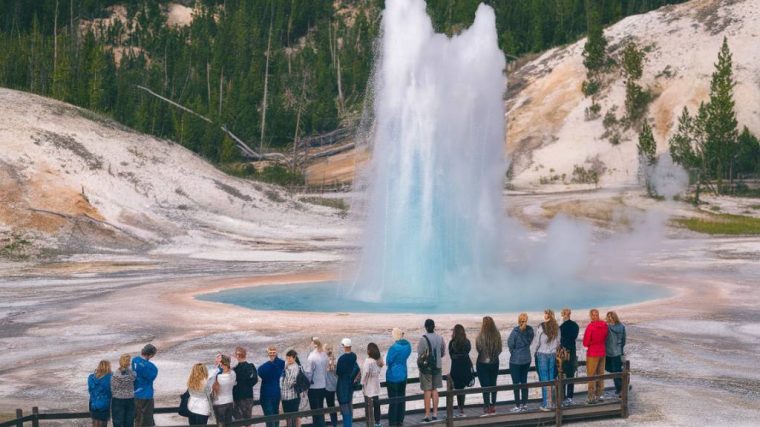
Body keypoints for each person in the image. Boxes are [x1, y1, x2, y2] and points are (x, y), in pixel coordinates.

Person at [417, 318, 445, 422]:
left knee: (427, 390)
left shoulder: (423, 339)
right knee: (435, 389)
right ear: (434, 326)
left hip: (427, 368)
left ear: (426, 327)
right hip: (437, 366)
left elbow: (420, 354)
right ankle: (435, 413)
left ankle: (427, 414)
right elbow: (442, 352)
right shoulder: (440, 337)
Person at [507, 313, 534, 412]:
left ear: (519, 320)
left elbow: (510, 344)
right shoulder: (530, 331)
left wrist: (514, 353)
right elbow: (530, 342)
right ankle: (525, 404)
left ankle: (517, 405)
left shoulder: (515, 331)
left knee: (516, 384)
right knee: (524, 382)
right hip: (526, 359)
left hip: (515, 360)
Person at [535, 309, 561, 411]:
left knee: (544, 379)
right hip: (552, 354)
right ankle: (551, 403)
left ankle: (546, 404)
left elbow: (537, 342)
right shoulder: (557, 328)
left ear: (546, 315)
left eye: (544, 314)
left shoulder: (541, 326)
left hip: (542, 354)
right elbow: (558, 342)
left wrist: (535, 351)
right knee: (551, 379)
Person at [475, 316, 502, 415]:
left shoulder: (480, 335)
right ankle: (493, 405)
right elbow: (500, 349)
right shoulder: (497, 334)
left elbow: (478, 349)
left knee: (485, 385)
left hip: (482, 362)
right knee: (493, 383)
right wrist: (493, 356)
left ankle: (486, 406)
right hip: (494, 362)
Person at [385, 328, 411, 427]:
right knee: (401, 397)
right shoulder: (408, 346)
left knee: (393, 399)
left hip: (393, 376)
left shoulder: (394, 348)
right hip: (403, 374)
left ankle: (392, 421)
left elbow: (388, 361)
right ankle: (400, 419)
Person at [583, 309, 609, 404]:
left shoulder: (590, 327)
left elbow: (585, 342)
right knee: (600, 374)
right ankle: (600, 394)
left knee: (591, 375)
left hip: (593, 353)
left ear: (591, 316)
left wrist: (591, 343)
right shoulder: (604, 325)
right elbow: (606, 337)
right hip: (602, 352)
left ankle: (591, 396)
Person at [448, 324, 473, 417]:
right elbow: (468, 351)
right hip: (465, 366)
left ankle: (458, 408)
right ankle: (461, 408)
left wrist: (456, 358)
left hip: (456, 366)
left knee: (457, 387)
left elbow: (451, 355)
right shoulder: (467, 342)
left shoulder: (452, 343)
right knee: (462, 387)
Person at [258, 346, 285, 427]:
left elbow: (259, 373)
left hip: (266, 394)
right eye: (271, 353)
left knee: (269, 417)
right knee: (275, 415)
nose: (272, 354)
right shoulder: (282, 363)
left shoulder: (263, 367)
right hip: (276, 392)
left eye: (273, 352)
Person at [336, 338, 360, 427]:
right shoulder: (354, 356)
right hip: (351, 384)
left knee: (344, 406)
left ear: (344, 346)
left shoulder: (341, 359)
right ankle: (349, 424)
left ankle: (347, 425)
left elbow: (338, 372)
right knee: (349, 405)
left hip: (343, 384)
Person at [132, 343, 158, 426]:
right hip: (147, 395)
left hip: (134, 394)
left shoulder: (134, 360)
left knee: (136, 419)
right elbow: (151, 378)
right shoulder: (152, 367)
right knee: (147, 420)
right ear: (151, 355)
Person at [306, 338, 328, 427]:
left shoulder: (311, 357)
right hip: (323, 385)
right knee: (321, 408)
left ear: (314, 344)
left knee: (314, 410)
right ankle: (322, 425)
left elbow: (309, 373)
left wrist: (306, 384)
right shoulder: (324, 355)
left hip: (314, 387)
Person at [232, 346, 258, 426]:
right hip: (248, 396)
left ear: (237, 356)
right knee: (248, 421)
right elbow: (255, 380)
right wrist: (248, 385)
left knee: (238, 422)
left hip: (237, 397)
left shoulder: (234, 368)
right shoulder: (251, 366)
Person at [559, 308, 579, 406]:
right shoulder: (575, 325)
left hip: (563, 353)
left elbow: (560, 341)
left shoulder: (561, 327)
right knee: (571, 375)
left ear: (563, 315)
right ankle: (570, 397)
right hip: (572, 352)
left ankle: (562, 397)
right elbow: (574, 338)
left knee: (562, 374)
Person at [605, 311, 627, 397]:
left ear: (614, 317)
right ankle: (622, 386)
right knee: (616, 370)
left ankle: (620, 389)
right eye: (608, 316)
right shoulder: (621, 326)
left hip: (611, 352)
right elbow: (623, 340)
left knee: (614, 371)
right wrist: (620, 348)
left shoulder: (607, 327)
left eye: (610, 316)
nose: (609, 318)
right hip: (617, 352)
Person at [361, 343, 384, 427]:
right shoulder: (376, 361)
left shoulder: (368, 361)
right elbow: (378, 370)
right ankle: (378, 422)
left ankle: (370, 421)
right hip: (376, 387)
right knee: (377, 404)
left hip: (368, 387)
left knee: (368, 405)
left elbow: (365, 373)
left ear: (368, 351)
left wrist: (362, 382)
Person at [110, 354, 135, 427]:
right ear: (128, 362)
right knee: (129, 421)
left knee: (117, 422)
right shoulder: (132, 374)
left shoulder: (115, 374)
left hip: (117, 399)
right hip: (130, 399)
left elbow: (112, 387)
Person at [212, 354, 236, 426]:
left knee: (220, 424)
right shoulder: (233, 374)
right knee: (229, 424)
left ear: (221, 364)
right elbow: (234, 361)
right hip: (229, 401)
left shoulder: (218, 376)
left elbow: (212, 386)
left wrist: (215, 365)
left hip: (219, 402)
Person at [280, 350, 302, 427]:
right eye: (287, 358)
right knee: (287, 418)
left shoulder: (295, 368)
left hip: (293, 396)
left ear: (294, 358)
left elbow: (289, 383)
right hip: (285, 397)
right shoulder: (287, 365)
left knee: (294, 417)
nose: (288, 360)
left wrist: (285, 371)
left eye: (290, 358)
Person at [88, 360, 112, 427]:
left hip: (93, 404)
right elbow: (110, 391)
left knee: (95, 422)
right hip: (104, 404)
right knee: (103, 423)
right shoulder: (110, 377)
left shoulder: (91, 377)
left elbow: (90, 390)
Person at [324, 344, 339, 427]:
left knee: (331, 405)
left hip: (329, 386)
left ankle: (334, 424)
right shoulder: (332, 359)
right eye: (327, 349)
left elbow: (330, 369)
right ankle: (334, 424)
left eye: (330, 349)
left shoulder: (332, 359)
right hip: (330, 385)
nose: (329, 350)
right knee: (331, 405)